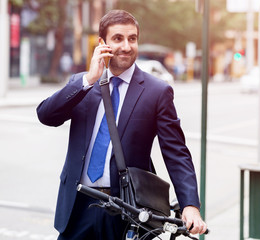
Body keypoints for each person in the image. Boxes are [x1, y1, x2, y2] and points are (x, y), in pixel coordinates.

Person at [37, 9, 207, 240]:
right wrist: (88, 80)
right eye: (118, 38)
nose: (126, 46)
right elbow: (47, 116)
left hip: (125, 212)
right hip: (77, 207)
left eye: (132, 39)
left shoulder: (157, 92)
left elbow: (176, 153)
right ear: (102, 43)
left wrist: (190, 206)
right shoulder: (82, 84)